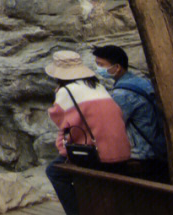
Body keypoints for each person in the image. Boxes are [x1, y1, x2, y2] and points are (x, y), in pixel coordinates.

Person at [44, 50, 130, 215]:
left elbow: (61, 123)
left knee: (54, 172)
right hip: (121, 151)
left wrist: (64, 151)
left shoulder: (66, 91)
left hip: (99, 155)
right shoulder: (97, 86)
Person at [92, 45, 168, 181]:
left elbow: (112, 126)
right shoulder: (141, 82)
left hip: (142, 153)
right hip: (158, 147)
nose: (98, 69)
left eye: (101, 65)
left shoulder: (122, 94)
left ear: (117, 67)